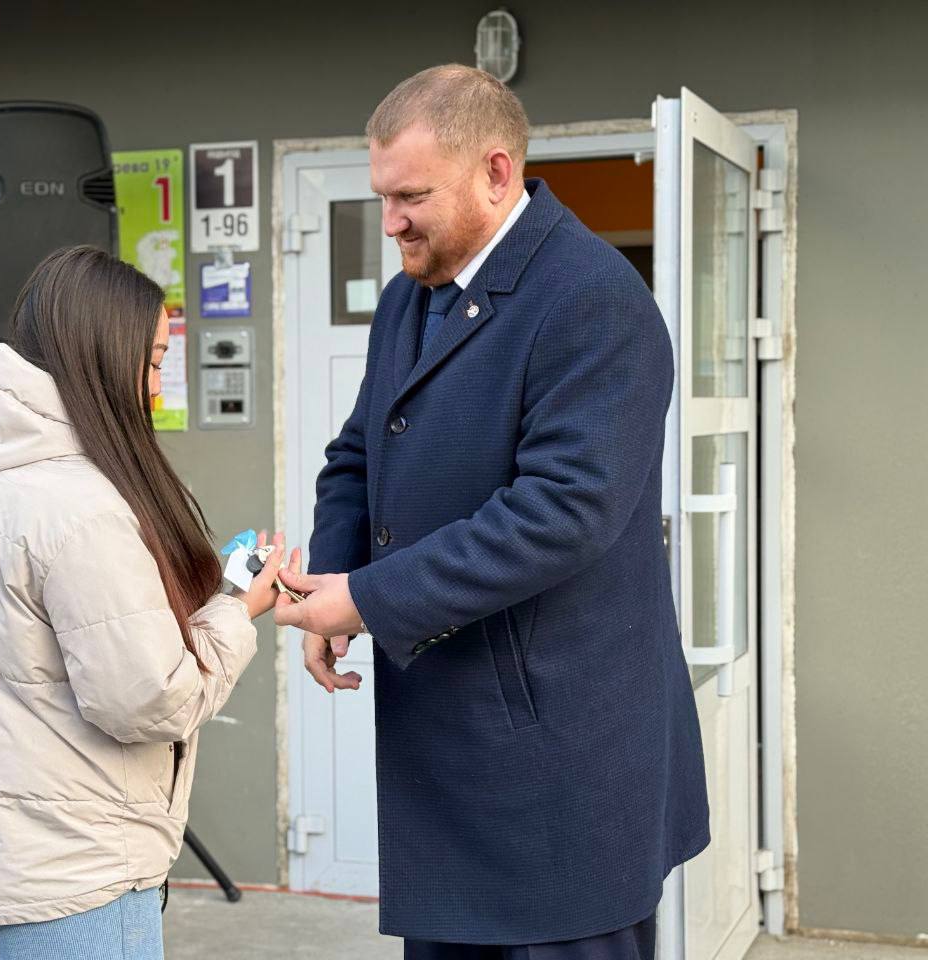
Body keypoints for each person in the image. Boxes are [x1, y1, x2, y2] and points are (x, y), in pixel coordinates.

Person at [275, 65, 710, 958]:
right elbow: (359, 453)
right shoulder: (408, 296)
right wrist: (334, 576)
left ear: (497, 172)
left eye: (411, 197)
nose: (390, 222)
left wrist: (369, 598)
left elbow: (564, 511)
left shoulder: (593, 299)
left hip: (561, 773)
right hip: (452, 763)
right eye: (381, 197)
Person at [0, 245, 291, 960]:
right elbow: (148, 703)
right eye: (151, 362)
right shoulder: (80, 508)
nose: (156, 387)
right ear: (101, 357)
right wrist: (238, 606)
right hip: (71, 866)